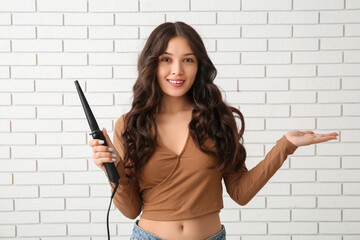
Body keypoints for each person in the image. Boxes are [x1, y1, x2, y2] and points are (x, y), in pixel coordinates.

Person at [89, 21, 338, 240]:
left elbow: (240, 192)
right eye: (167, 59)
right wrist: (113, 169)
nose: (177, 70)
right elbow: (131, 209)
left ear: (199, 66)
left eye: (188, 59)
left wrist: (285, 145)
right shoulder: (131, 124)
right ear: (152, 64)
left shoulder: (218, 118)